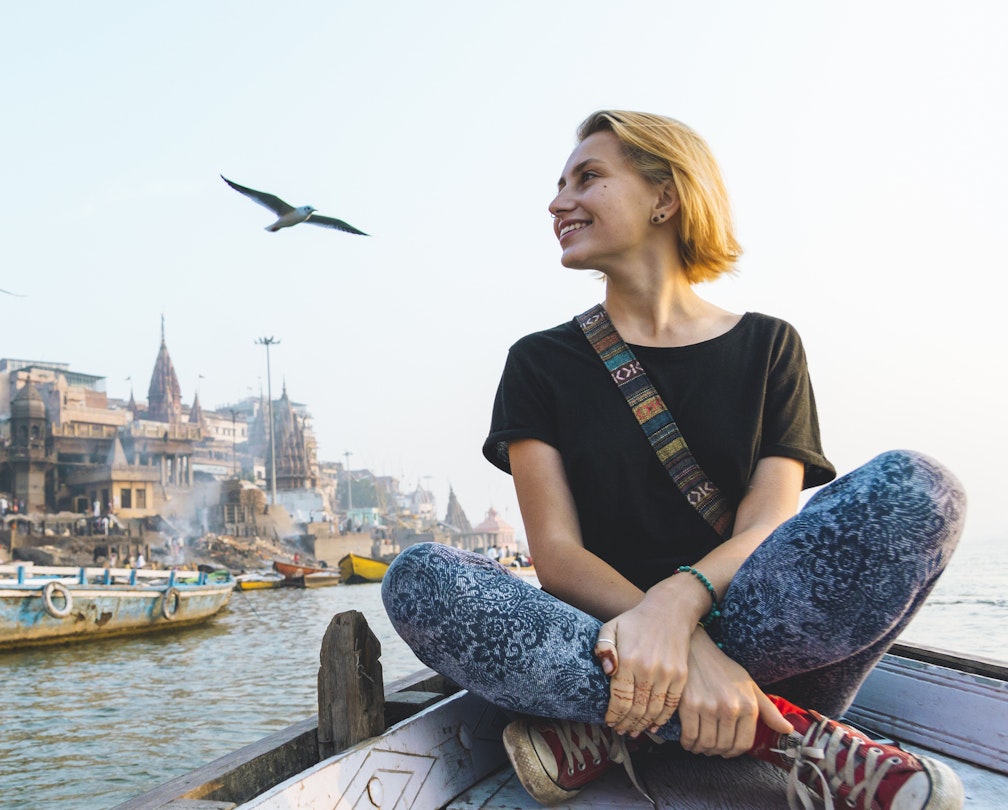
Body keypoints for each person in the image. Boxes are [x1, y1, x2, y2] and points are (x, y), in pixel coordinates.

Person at [380, 110, 966, 810]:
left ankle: (616, 730)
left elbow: (764, 529)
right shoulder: (539, 362)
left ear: (666, 196)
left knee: (923, 492)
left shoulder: (771, 346)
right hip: (601, 635)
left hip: (743, 618)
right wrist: (688, 656)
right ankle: (784, 735)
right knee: (419, 578)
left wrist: (678, 607)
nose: (557, 202)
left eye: (587, 178)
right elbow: (558, 557)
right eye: (558, 184)